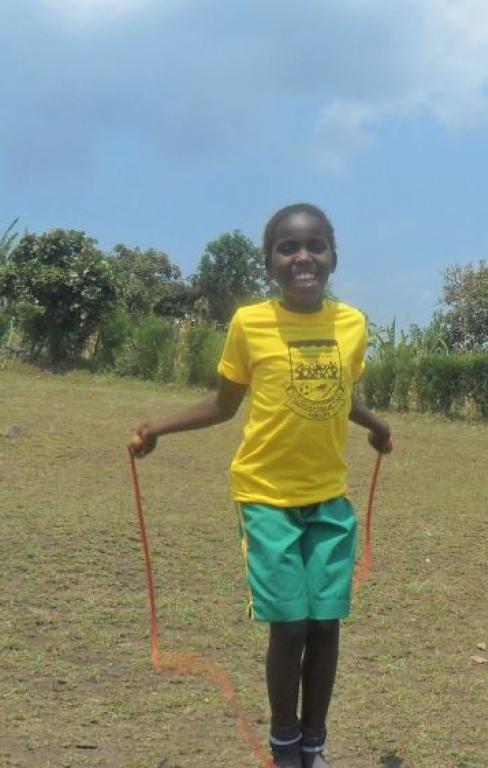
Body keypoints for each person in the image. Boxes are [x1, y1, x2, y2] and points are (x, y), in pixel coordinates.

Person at [128, 203, 392, 768]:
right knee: (290, 625)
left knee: (325, 624)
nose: (303, 257)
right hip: (266, 497)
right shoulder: (250, 324)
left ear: (334, 256)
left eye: (315, 245)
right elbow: (224, 405)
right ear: (269, 261)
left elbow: (342, 396)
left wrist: (376, 426)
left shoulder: (352, 325)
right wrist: (158, 428)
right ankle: (283, 745)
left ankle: (314, 746)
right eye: (287, 248)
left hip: (329, 499)